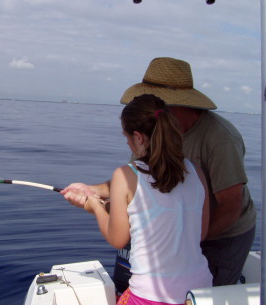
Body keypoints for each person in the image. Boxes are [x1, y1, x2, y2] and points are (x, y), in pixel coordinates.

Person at [62, 57, 256, 290]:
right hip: (185, 234)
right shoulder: (150, 132)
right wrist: (93, 190)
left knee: (208, 293)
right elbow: (138, 181)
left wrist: (185, 243)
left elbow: (230, 207)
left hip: (222, 235)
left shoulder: (220, 139)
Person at [83, 94, 212, 305]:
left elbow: (118, 239)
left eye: (126, 138)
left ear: (138, 137)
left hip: (150, 296)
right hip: (199, 293)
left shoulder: (125, 175)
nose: (128, 143)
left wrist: (96, 207)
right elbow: (201, 233)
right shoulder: (196, 171)